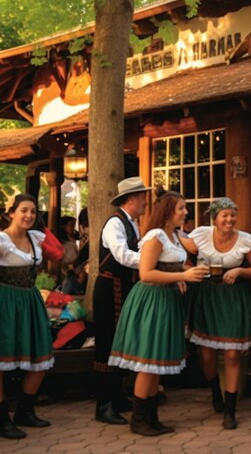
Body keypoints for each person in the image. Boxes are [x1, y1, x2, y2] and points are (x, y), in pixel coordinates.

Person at [108, 191, 209, 436]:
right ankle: (139, 420)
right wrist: (182, 276)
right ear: (168, 211)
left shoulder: (174, 236)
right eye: (181, 208)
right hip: (151, 300)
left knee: (157, 362)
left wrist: (178, 279)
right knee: (148, 362)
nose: (186, 212)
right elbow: (146, 273)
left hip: (167, 300)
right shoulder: (156, 236)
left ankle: (151, 417)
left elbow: (170, 265)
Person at [186, 197, 251, 429]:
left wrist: (239, 270)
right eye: (225, 215)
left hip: (233, 298)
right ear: (215, 218)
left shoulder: (244, 240)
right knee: (206, 355)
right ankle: (215, 392)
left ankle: (230, 410)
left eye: (232, 215)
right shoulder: (200, 235)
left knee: (232, 354)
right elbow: (179, 250)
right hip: (207, 297)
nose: (229, 219)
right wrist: (187, 269)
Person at [92, 177, 151, 425]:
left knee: (121, 341)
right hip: (110, 287)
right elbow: (123, 255)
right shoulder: (114, 224)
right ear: (132, 199)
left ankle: (116, 396)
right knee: (107, 342)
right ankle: (103, 405)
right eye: (143, 197)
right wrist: (149, 261)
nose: (146, 201)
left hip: (124, 286)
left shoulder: (132, 224)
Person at [0, 194, 55, 439]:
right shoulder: (2, 240)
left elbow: (59, 254)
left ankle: (25, 409)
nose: (29, 215)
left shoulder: (36, 238)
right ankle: (2, 418)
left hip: (30, 300)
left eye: (33, 211)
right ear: (11, 212)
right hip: (5, 301)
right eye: (23, 210)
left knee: (40, 353)